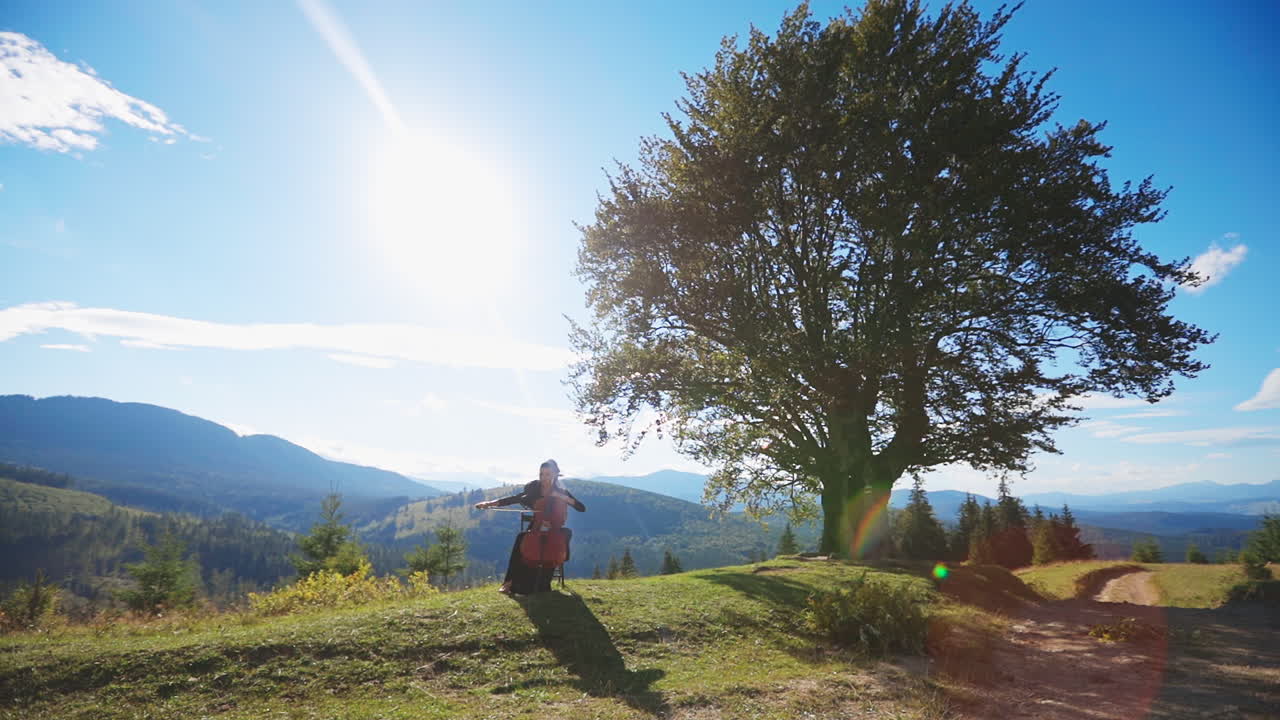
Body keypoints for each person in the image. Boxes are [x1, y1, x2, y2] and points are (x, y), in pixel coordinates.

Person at [475, 459, 586, 594]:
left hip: (554, 529)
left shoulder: (561, 491)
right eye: (541, 474)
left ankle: (543, 581)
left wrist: (561, 497)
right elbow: (515, 498)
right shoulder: (535, 489)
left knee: (561, 538)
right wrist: (490, 503)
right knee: (521, 539)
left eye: (547, 474)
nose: (544, 478)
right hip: (536, 526)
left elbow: (581, 508)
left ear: (555, 474)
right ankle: (509, 582)